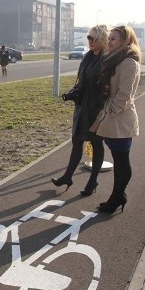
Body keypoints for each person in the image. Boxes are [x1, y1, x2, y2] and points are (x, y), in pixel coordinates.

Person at [52, 25, 109, 196]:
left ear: (103, 39)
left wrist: (99, 104)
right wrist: (74, 92)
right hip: (82, 105)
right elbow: (82, 81)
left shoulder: (106, 60)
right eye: (89, 38)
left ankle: (93, 181)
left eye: (94, 38)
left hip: (96, 107)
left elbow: (107, 87)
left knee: (96, 142)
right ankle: (68, 176)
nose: (90, 41)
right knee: (77, 140)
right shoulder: (88, 56)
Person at [89, 25, 141, 213]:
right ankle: (119, 196)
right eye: (109, 38)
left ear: (125, 40)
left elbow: (125, 94)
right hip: (112, 117)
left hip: (121, 118)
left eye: (113, 39)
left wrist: (110, 111)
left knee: (121, 160)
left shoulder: (129, 62)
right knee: (118, 158)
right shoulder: (115, 59)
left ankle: (117, 197)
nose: (109, 42)